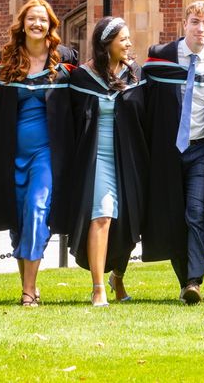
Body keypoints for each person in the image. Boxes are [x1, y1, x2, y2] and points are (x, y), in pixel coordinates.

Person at [141, 1, 204, 304]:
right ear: (184, 24)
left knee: (195, 213)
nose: (200, 29)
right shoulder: (161, 57)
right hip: (168, 150)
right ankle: (184, 279)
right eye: (195, 22)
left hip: (202, 149)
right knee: (173, 215)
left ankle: (194, 280)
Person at [0, 0, 78, 307]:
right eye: (32, 18)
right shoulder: (5, 61)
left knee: (36, 209)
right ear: (22, 23)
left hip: (47, 152)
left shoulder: (64, 61)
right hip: (11, 151)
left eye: (43, 19)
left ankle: (28, 292)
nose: (37, 24)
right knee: (18, 218)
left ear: (51, 24)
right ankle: (28, 284)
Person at [68, 17, 147, 307]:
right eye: (123, 39)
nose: (128, 43)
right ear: (106, 43)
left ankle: (118, 277)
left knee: (125, 222)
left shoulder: (135, 74)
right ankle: (98, 287)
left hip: (128, 156)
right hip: (96, 157)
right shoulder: (82, 78)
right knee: (101, 216)